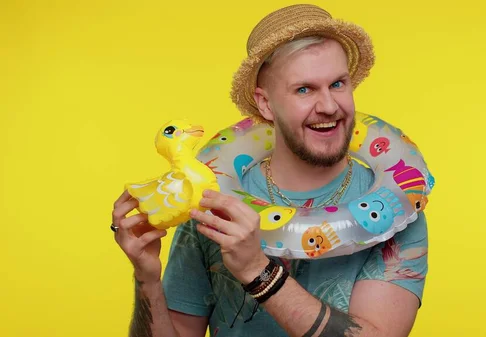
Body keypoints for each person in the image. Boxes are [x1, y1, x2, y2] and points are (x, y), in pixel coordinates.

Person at [111, 4, 429, 337]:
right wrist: (146, 278)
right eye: (304, 89)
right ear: (265, 104)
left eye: (337, 84)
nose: (329, 106)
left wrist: (256, 270)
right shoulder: (213, 202)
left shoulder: (393, 207)